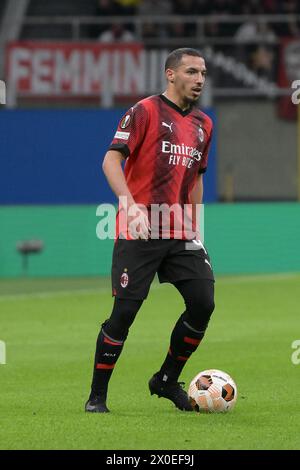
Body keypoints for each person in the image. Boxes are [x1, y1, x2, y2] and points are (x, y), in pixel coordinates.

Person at [85, 48, 215, 413]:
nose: (200, 79)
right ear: (170, 75)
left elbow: (195, 180)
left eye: (203, 72)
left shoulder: (204, 124)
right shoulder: (144, 111)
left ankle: (165, 380)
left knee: (204, 302)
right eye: (191, 71)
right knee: (124, 314)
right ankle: (97, 397)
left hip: (179, 230)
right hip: (138, 227)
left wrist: (196, 224)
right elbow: (111, 158)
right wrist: (127, 202)